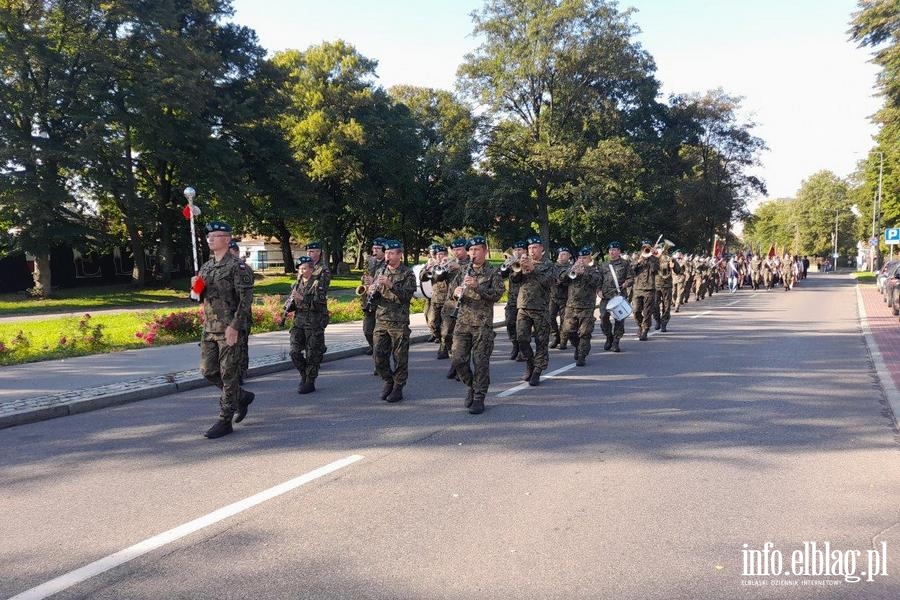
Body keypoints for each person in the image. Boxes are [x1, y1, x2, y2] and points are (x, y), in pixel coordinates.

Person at [193, 221, 254, 439]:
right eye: (208, 235)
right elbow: (200, 298)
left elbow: (246, 301)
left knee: (229, 374)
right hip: (209, 328)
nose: (210, 238)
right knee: (208, 371)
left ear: (226, 240)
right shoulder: (206, 267)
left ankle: (224, 420)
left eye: (215, 235)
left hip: (230, 328)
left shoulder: (238, 267)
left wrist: (235, 327)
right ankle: (241, 397)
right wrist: (195, 287)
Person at [448, 236, 505, 414]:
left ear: (485, 251)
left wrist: (477, 287)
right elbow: (451, 291)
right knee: (457, 360)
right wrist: (455, 293)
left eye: (477, 250)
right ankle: (472, 386)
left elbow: (496, 295)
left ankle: (479, 396)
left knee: (480, 362)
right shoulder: (464, 270)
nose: (473, 253)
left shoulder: (493, 272)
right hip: (462, 322)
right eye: (471, 250)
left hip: (482, 324)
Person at [370, 239, 418, 402]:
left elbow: (406, 297)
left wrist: (390, 285)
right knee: (378, 356)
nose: (387, 256)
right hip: (381, 319)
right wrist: (371, 291)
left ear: (399, 255)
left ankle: (398, 386)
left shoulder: (407, 273)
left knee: (399, 357)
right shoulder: (380, 271)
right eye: (387, 253)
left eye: (391, 253)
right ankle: (388, 380)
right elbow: (377, 297)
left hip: (399, 322)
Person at [512, 235, 555, 386]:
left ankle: (537, 370)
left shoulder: (549, 265)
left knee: (541, 341)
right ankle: (530, 363)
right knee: (522, 339)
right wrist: (519, 269)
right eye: (529, 248)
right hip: (523, 306)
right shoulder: (523, 262)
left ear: (542, 249)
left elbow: (548, 282)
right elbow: (514, 280)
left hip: (541, 308)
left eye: (535, 247)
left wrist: (533, 269)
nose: (532, 251)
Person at [287, 254, 330, 394]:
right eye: (300, 269)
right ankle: (304, 374)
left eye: (305, 268)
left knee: (312, 354)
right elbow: (295, 305)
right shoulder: (296, 284)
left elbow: (319, 306)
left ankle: (310, 381)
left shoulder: (318, 285)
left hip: (314, 323)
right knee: (294, 352)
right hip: (298, 323)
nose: (302, 271)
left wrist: (302, 298)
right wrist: (289, 305)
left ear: (311, 269)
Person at [559, 246, 602, 366]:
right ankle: (578, 346)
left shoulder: (594, 270)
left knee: (585, 333)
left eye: (584, 258)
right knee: (568, 331)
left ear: (589, 258)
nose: (582, 260)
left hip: (587, 306)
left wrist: (584, 273)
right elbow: (561, 279)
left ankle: (582, 355)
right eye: (580, 258)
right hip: (571, 305)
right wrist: (571, 271)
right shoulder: (572, 268)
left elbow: (597, 281)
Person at [436, 237, 470, 377]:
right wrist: (441, 267)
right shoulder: (451, 262)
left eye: (459, 249)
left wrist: (459, 267)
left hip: (466, 304)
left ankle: (460, 366)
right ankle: (455, 361)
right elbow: (438, 278)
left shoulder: (471, 262)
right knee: (445, 334)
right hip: (450, 302)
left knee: (462, 338)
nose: (456, 252)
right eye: (454, 249)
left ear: (466, 250)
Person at [598, 242, 635, 353]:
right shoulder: (604, 264)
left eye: (614, 250)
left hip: (619, 296)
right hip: (606, 296)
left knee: (619, 319)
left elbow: (631, 278)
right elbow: (599, 279)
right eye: (610, 250)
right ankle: (609, 336)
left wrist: (626, 283)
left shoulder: (625, 264)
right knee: (603, 317)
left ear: (619, 251)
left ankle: (616, 341)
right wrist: (598, 290)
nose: (611, 252)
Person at [228, 240, 252, 383]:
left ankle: (240, 372)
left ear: (236, 252)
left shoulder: (243, 269)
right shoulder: (211, 267)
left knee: (240, 345)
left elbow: (244, 296)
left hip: (239, 316)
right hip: (222, 317)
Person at [500, 241, 527, 360]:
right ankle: (515, 345)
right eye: (515, 250)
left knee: (522, 327)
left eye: (520, 249)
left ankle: (522, 350)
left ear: (525, 251)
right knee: (510, 322)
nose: (517, 251)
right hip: (512, 299)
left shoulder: (528, 263)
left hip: (525, 300)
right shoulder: (511, 263)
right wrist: (506, 264)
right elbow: (501, 274)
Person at [361, 238, 386, 355]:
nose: (374, 250)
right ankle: (374, 346)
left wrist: (373, 281)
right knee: (367, 330)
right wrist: (365, 280)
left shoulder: (387, 263)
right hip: (368, 300)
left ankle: (379, 351)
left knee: (380, 333)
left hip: (381, 301)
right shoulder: (370, 261)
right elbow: (365, 276)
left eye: (377, 248)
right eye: (374, 248)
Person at [631, 240, 659, 341]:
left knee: (647, 312)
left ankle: (645, 330)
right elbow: (631, 270)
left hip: (649, 289)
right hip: (638, 288)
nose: (645, 249)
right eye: (644, 248)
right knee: (636, 311)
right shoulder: (637, 258)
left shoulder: (654, 259)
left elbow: (655, 270)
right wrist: (639, 261)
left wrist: (651, 257)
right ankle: (640, 325)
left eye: (647, 248)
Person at [549, 246, 572, 350]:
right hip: (553, 296)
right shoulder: (552, 266)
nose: (561, 256)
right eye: (560, 254)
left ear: (568, 256)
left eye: (564, 254)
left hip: (566, 297)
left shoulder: (572, 267)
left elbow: (573, 281)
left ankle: (563, 340)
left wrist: (562, 282)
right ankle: (555, 336)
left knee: (564, 320)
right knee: (550, 317)